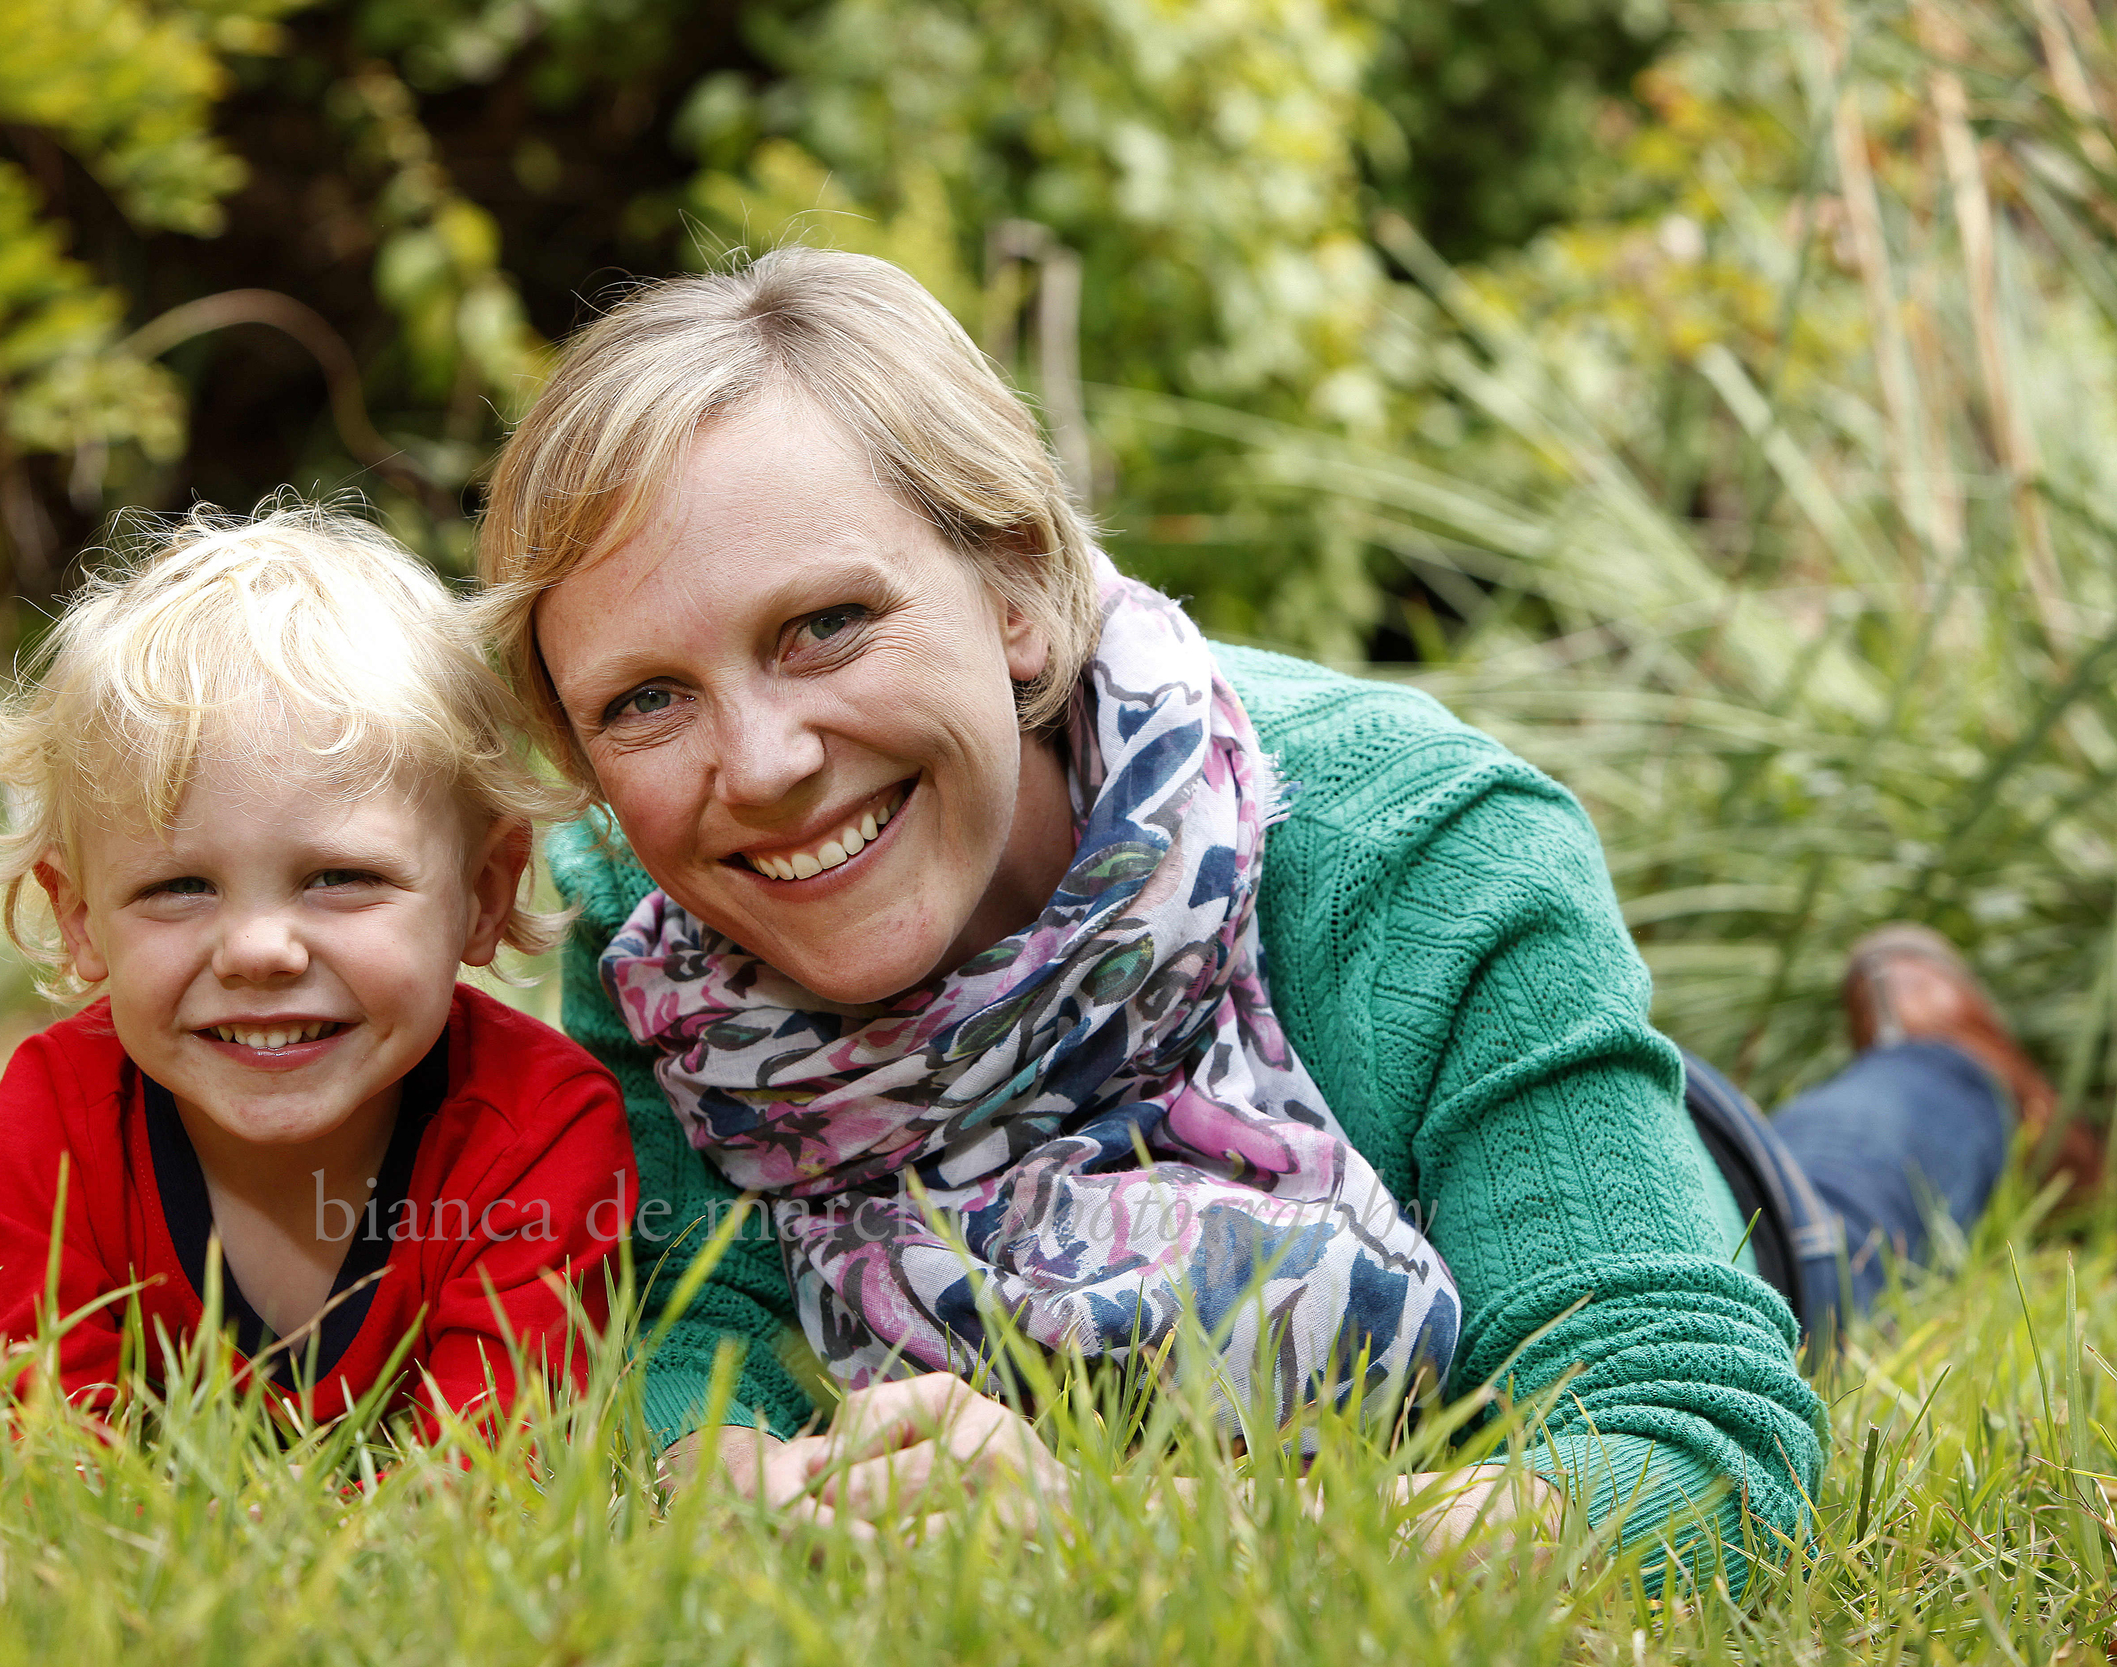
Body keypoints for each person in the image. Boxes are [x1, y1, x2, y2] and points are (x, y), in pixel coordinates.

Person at [474, 248, 2089, 1590]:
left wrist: (1149, 1534)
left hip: (1578, 1188)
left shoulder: (1425, 843)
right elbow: (706, 1315)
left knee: (1840, 1205)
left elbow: (1702, 1449)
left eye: (827, 624)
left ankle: (1960, 1083)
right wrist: (725, 1469)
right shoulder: (655, 925)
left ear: (1020, 591)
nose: (757, 765)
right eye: (646, 700)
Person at [0, 502, 635, 1442]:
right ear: (79, 918)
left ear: (483, 893)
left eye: (341, 877)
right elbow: (42, 1464)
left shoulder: (539, 1134)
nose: (259, 950)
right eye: (179, 886)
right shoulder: (52, 1132)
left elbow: (489, 1473)